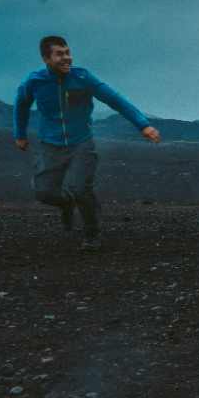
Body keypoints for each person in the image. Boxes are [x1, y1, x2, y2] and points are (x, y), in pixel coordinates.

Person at [13, 35, 161, 250]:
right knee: (44, 193)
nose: (67, 58)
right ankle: (66, 204)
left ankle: (92, 234)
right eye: (59, 54)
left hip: (81, 142)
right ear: (46, 58)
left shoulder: (82, 77)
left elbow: (115, 99)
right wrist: (20, 133)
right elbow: (21, 105)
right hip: (50, 144)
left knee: (81, 188)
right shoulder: (33, 82)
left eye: (68, 53)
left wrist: (143, 125)